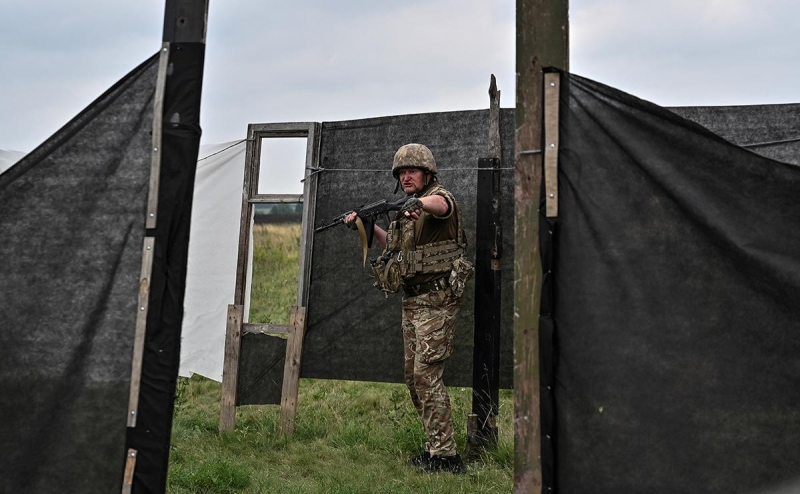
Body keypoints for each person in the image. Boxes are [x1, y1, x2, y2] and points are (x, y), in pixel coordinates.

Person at [344, 143, 472, 474]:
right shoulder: (405, 213)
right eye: (401, 173)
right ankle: (433, 448)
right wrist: (365, 225)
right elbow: (394, 247)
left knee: (427, 376)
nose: (406, 177)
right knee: (414, 378)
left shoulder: (437, 198)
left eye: (412, 171)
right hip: (413, 301)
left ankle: (447, 457)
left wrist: (418, 203)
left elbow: (441, 206)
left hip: (438, 301)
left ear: (427, 173)